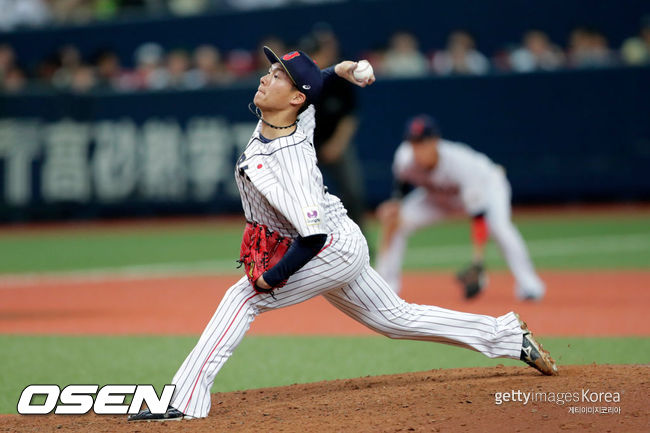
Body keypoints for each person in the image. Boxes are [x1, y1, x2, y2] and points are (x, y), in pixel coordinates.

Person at [128, 48, 557, 422]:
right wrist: (340, 69)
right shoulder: (299, 114)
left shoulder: (287, 161)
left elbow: (311, 238)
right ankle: (505, 335)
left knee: (242, 298)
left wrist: (271, 278)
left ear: (295, 97)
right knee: (394, 318)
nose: (265, 76)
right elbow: (316, 87)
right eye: (271, 69)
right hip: (339, 234)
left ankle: (183, 400)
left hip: (328, 247)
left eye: (278, 75)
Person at [375, 114, 546, 300]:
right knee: (396, 221)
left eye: (422, 142)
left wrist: (478, 263)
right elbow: (402, 182)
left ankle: (529, 285)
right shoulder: (404, 156)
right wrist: (396, 202)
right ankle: (385, 286)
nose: (417, 148)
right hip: (439, 197)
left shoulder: (461, 164)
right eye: (413, 142)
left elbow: (479, 217)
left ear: (435, 142)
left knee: (499, 227)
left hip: (488, 186)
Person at [302, 26, 367, 232]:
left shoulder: (340, 79)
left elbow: (350, 115)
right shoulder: (300, 79)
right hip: (306, 147)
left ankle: (360, 241)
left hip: (336, 143)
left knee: (353, 193)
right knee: (303, 198)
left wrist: (337, 145)